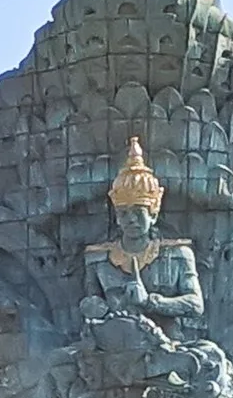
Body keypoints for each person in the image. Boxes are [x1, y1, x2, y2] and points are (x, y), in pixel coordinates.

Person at [82, 137, 205, 341]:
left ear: (153, 215)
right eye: (124, 213)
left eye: (138, 212)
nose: (131, 220)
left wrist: (151, 302)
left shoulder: (178, 255)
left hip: (168, 344)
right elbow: (92, 297)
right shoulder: (97, 259)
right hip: (112, 344)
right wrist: (92, 306)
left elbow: (196, 304)